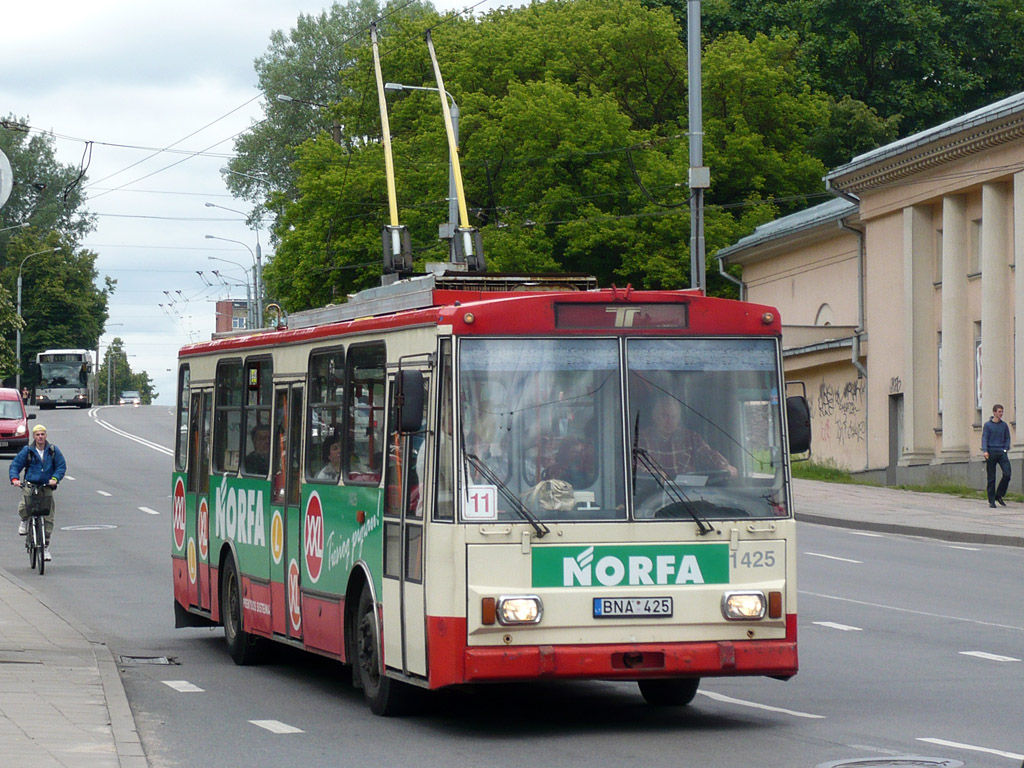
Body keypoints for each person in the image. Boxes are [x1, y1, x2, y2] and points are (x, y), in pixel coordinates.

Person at [639, 396, 738, 478]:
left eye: (674, 417)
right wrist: (653, 474)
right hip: (653, 494)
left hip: (686, 494)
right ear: (655, 417)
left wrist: (725, 466)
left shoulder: (690, 437)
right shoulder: (641, 438)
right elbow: (634, 466)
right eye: (665, 416)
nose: (670, 421)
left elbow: (708, 453)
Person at [10, 424, 66, 562]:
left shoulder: (52, 450)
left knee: (48, 516)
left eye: (42, 434)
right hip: (31, 483)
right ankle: (24, 520)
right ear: (34, 437)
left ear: (46, 436)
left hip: (46, 486)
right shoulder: (27, 451)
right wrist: (15, 479)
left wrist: (55, 479)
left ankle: (45, 547)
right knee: (25, 504)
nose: (40, 437)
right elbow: (15, 465)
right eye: (37, 435)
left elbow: (61, 466)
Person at [982, 403, 1011, 508]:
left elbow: (1007, 437)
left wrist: (1006, 448)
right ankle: (991, 500)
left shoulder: (1004, 425)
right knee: (991, 477)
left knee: (1007, 474)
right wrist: (985, 450)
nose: (1001, 413)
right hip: (991, 452)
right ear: (994, 412)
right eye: (999, 411)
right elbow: (984, 438)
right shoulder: (988, 425)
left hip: (1001, 452)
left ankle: (999, 495)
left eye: (1002, 411)